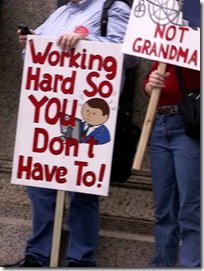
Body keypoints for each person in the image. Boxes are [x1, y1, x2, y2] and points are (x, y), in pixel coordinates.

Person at [5, 0, 138, 267]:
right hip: (50, 115)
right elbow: (35, 57)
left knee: (83, 189)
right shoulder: (60, 12)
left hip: (88, 116)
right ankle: (38, 255)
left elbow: (129, 55)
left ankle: (79, 260)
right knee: (40, 185)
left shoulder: (113, 9)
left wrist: (85, 39)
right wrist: (28, 43)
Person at [143, 61, 200, 267]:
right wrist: (151, 84)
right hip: (161, 123)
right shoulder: (168, 45)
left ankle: (191, 265)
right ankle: (162, 264)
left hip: (188, 126)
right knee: (164, 209)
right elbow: (149, 80)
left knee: (191, 208)